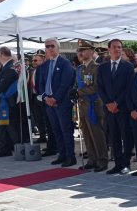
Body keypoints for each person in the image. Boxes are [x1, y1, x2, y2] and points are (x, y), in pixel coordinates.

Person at [98, 39, 135, 175]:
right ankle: (118, 164)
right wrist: (108, 103)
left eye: (119, 47)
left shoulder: (128, 66)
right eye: (114, 47)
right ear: (109, 49)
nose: (117, 50)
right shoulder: (103, 68)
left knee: (126, 136)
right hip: (109, 109)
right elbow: (100, 87)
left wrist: (117, 104)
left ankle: (126, 164)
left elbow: (128, 88)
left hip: (123, 108)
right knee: (114, 137)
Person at [38, 38, 76, 167]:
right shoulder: (44, 66)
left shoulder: (65, 63)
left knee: (66, 130)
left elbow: (66, 83)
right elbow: (40, 84)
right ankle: (62, 154)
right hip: (49, 103)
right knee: (56, 131)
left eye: (52, 46)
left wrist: (55, 98)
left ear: (58, 48)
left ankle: (70, 157)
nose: (50, 48)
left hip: (62, 103)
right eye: (47, 46)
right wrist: (45, 97)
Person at [75, 40, 108, 172]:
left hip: (94, 105)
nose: (80, 53)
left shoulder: (97, 68)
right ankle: (92, 159)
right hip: (82, 105)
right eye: (79, 50)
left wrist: (78, 92)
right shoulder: (80, 69)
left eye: (83, 50)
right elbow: (78, 85)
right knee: (87, 134)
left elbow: (96, 87)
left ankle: (102, 160)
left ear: (91, 51)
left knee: (97, 134)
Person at [0, 47, 23, 157]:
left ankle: (17, 149)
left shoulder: (10, 67)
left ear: (2, 54)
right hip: (3, 101)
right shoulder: (5, 66)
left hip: (7, 101)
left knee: (10, 126)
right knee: (4, 126)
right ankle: (6, 148)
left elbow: (2, 84)